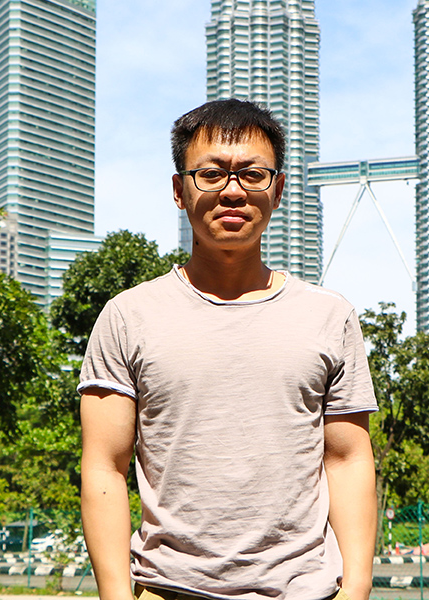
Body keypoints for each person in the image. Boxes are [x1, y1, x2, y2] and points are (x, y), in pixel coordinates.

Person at [80, 99, 378, 600]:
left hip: (305, 590)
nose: (233, 191)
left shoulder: (330, 315)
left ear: (277, 190)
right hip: (167, 588)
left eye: (253, 174)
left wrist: (357, 588)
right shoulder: (128, 316)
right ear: (179, 190)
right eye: (211, 174)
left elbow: (348, 459)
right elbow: (104, 466)